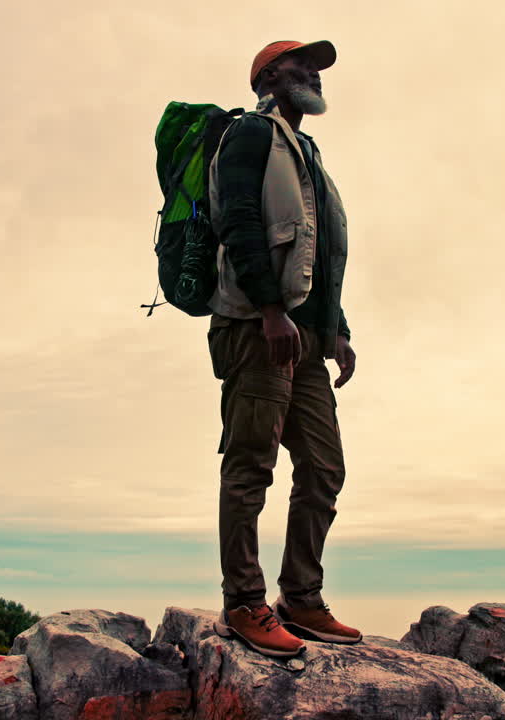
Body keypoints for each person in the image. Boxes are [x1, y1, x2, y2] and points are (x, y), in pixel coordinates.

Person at [207, 39, 361, 658]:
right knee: (251, 466)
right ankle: (243, 602)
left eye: (318, 68)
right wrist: (270, 309)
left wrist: (339, 329)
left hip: (306, 342)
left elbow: (317, 255)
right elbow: (238, 221)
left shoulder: (308, 154)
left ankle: (300, 597)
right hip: (255, 327)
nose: (314, 74)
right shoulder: (248, 135)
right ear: (270, 75)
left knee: (324, 467)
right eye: (303, 64)